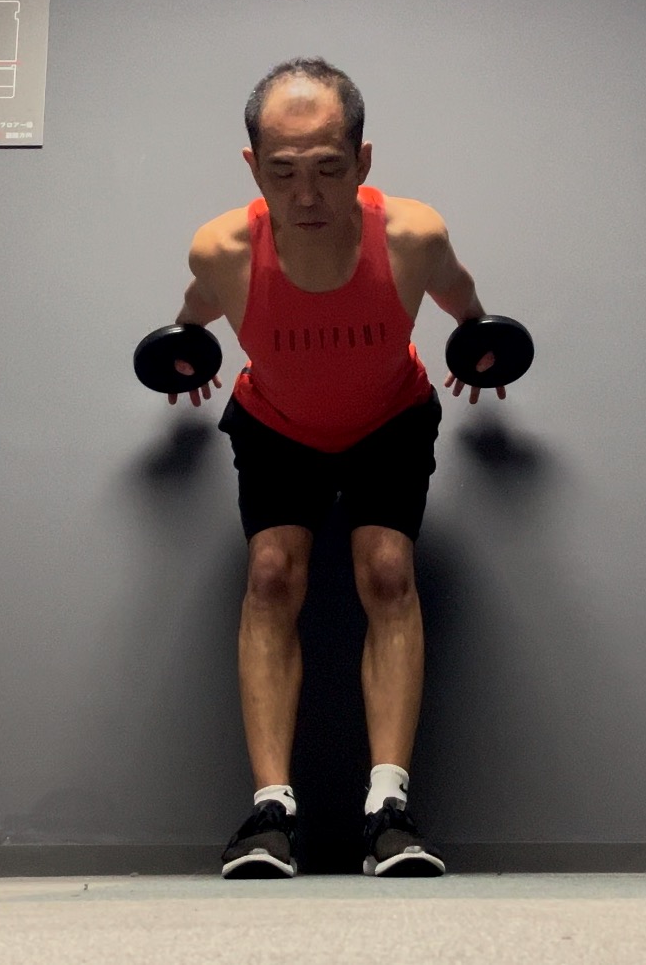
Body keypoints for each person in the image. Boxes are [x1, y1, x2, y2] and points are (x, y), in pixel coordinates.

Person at [167, 58, 504, 878]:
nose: (307, 195)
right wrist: (185, 351)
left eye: (327, 169)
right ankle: (270, 815)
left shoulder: (413, 236)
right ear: (254, 167)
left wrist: (481, 340)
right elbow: (197, 311)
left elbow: (461, 294)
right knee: (271, 575)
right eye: (283, 173)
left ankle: (388, 810)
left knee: (387, 572)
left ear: (362, 160)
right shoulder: (222, 249)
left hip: (389, 418)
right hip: (277, 424)